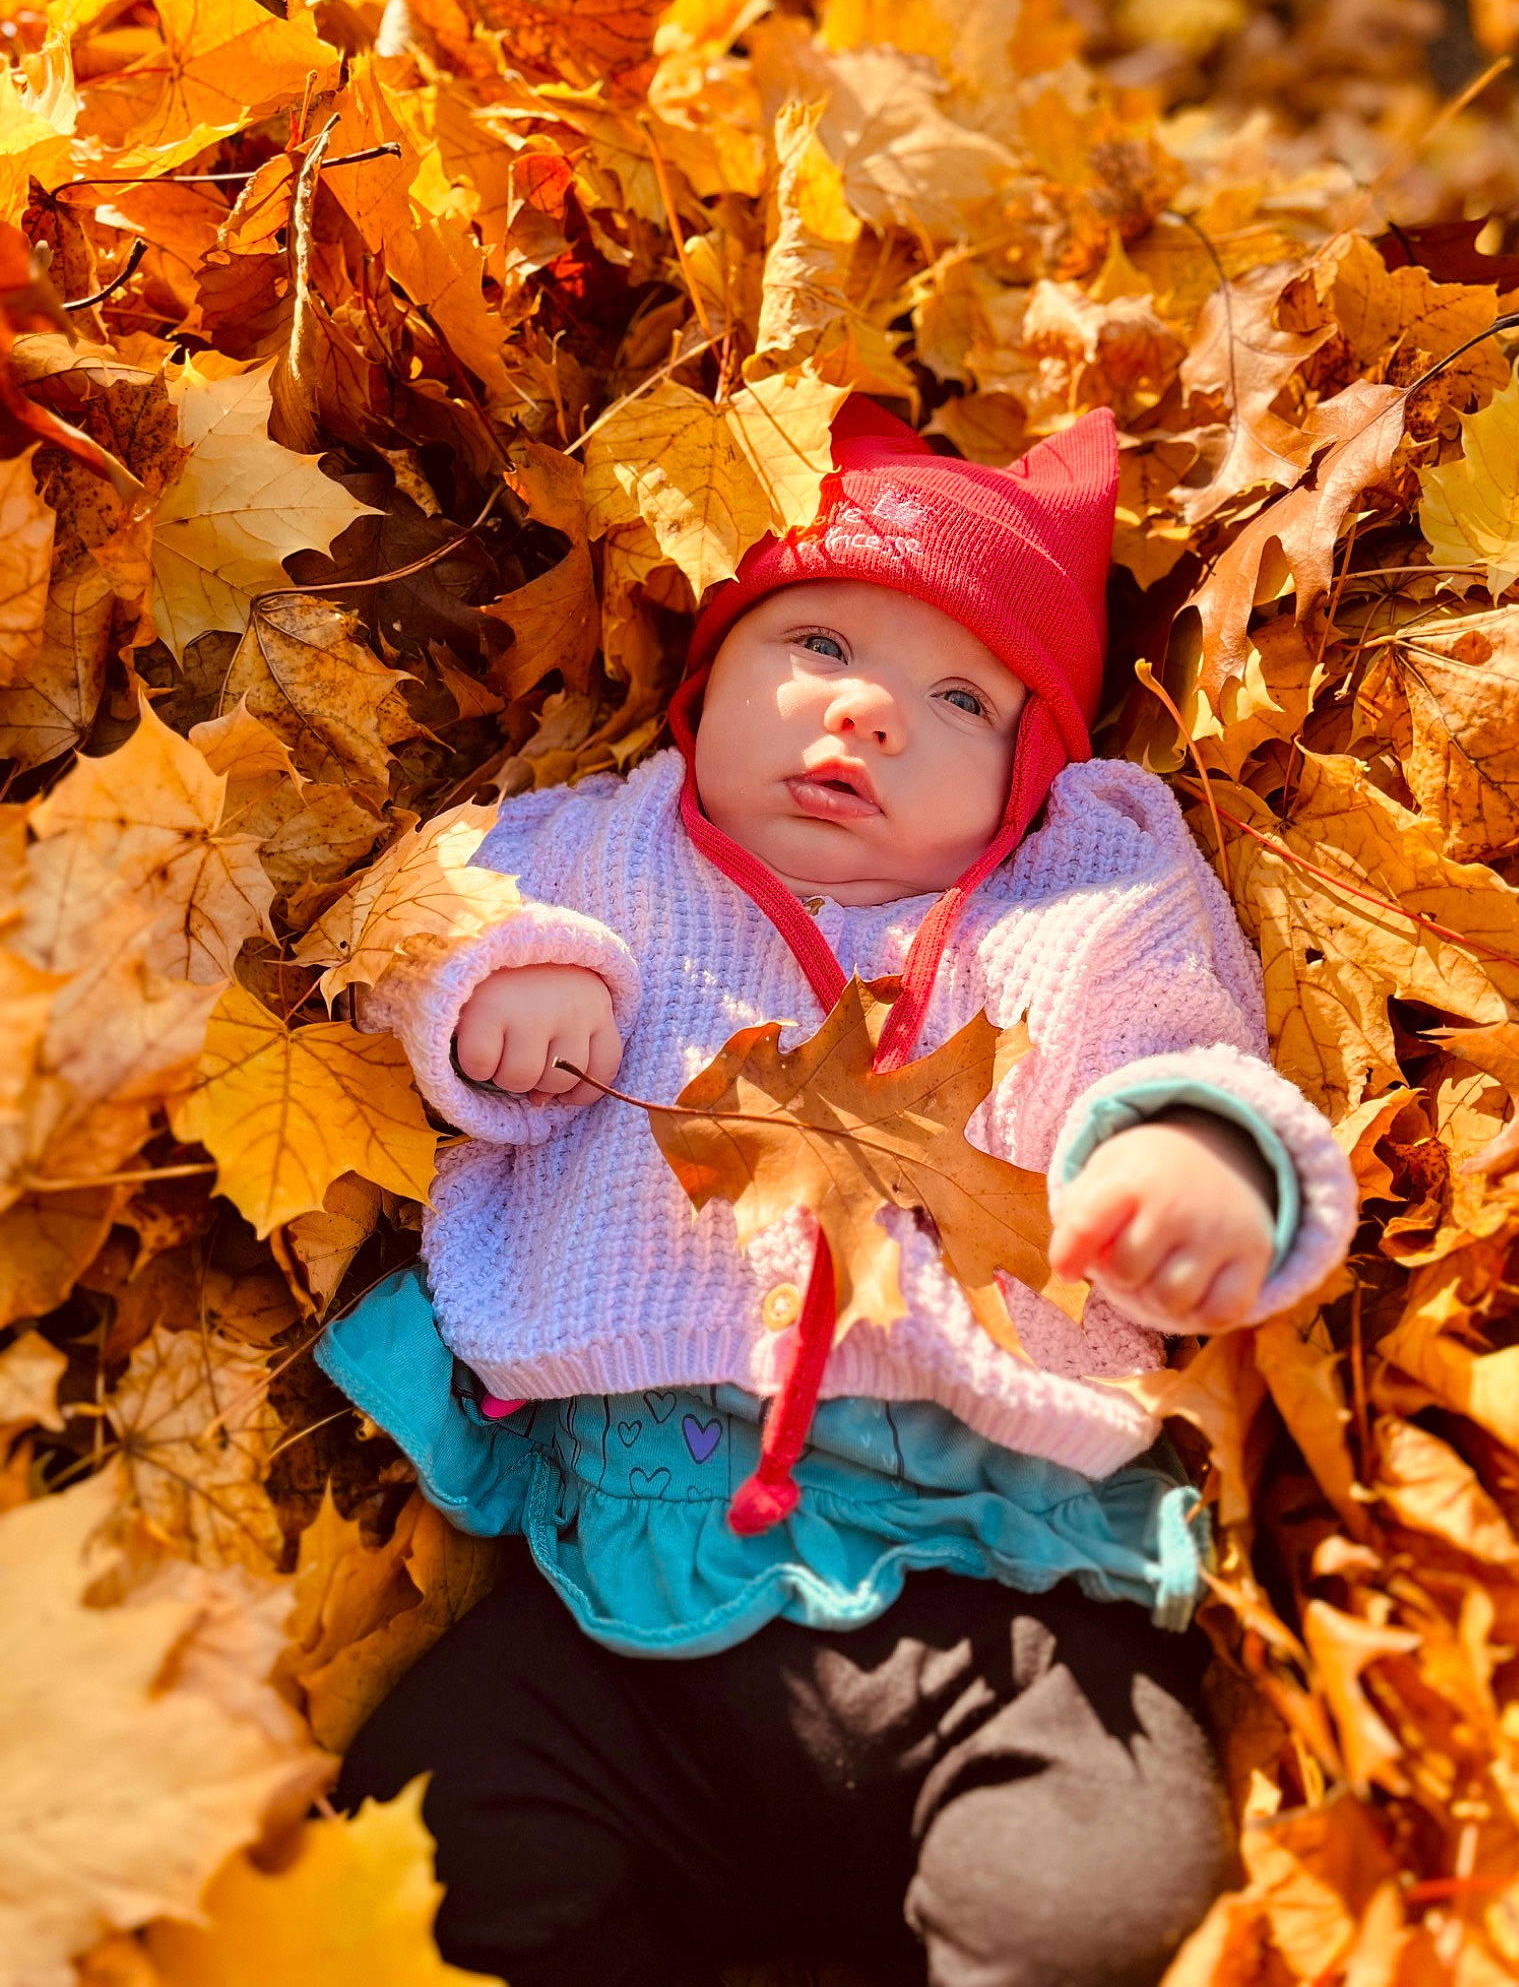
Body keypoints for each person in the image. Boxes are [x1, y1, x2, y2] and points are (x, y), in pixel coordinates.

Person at [319, 397, 1356, 1987]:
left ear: (1032, 770)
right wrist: (490, 984)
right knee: (429, 1817)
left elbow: (1178, 1036)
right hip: (623, 1605)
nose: (869, 712)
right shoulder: (599, 850)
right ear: (705, 679)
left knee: (1100, 1885)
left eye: (960, 696)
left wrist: (1185, 1158)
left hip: (995, 1597)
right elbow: (413, 916)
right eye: (816, 643)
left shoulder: (1078, 896)